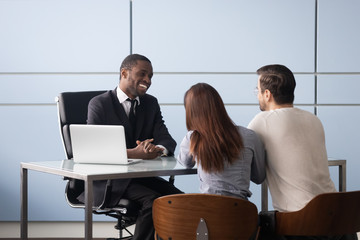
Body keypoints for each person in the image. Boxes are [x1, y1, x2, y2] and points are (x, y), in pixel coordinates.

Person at [79, 54, 182, 240]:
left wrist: (157, 149)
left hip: (140, 178)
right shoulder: (99, 104)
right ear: (124, 73)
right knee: (152, 203)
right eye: (142, 74)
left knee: (182, 200)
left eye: (150, 76)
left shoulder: (150, 103)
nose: (148, 80)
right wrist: (134, 154)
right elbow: (93, 152)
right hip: (109, 182)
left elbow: (166, 139)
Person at [249, 64, 357, 240]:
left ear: (267, 94)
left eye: (258, 91)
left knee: (261, 222)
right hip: (339, 220)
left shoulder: (262, 121)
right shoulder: (314, 119)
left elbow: (253, 169)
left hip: (301, 223)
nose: (258, 95)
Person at [177, 83, 266, 200]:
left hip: (209, 213)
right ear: (219, 105)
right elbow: (259, 177)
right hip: (242, 212)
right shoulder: (249, 136)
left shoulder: (193, 137)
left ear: (191, 112)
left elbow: (185, 163)